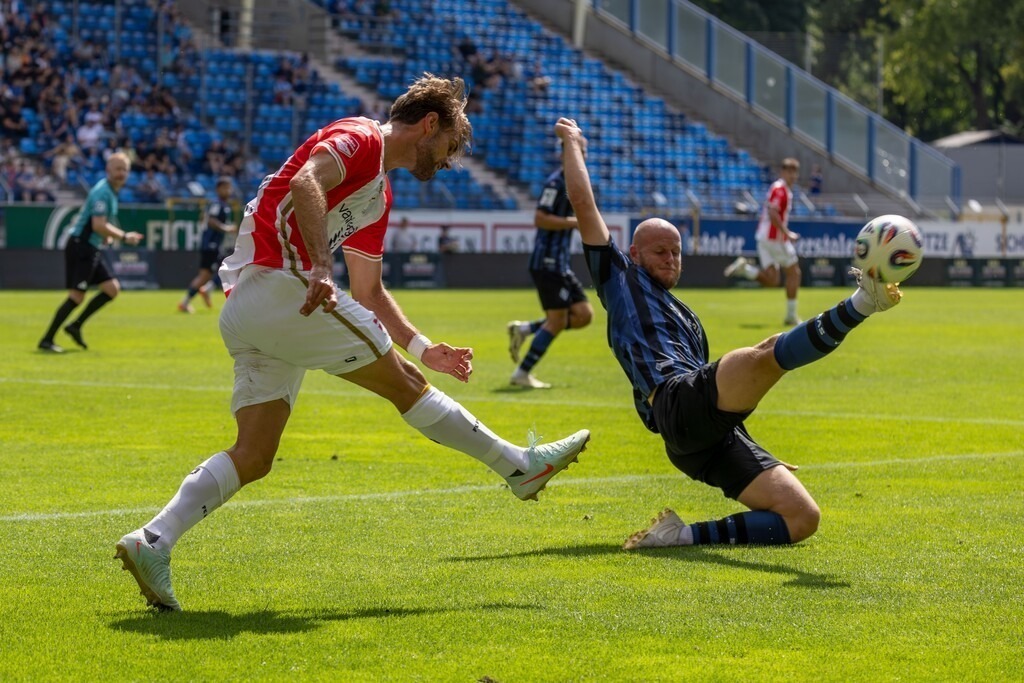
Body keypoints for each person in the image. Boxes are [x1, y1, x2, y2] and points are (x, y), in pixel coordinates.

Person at [114, 75, 590, 611]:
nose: (450, 159)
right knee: (406, 387)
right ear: (428, 125)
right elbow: (304, 184)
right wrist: (320, 264)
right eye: (450, 145)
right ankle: (518, 468)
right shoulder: (361, 136)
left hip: (251, 311)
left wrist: (423, 345)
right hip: (281, 288)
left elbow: (370, 289)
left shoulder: (378, 193)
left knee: (254, 454)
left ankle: (151, 540)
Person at [551, 117, 902, 550]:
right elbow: (583, 203)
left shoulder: (689, 318)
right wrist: (572, 144)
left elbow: (721, 402)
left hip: (701, 436)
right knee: (767, 351)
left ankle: (678, 536)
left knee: (801, 517)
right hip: (676, 403)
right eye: (660, 252)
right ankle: (863, 303)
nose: (670, 260)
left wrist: (756, 453)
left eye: (676, 252)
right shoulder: (618, 278)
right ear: (634, 254)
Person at [506, 143, 594, 389]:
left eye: (583, 151)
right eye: (577, 151)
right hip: (547, 262)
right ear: (564, 154)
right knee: (556, 320)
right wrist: (574, 222)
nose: (582, 156)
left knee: (584, 315)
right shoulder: (556, 183)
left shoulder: (572, 183)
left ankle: (526, 329)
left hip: (560, 263)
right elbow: (540, 218)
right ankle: (521, 373)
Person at [37, 152, 143, 353]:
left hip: (90, 246)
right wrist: (124, 236)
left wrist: (106, 235)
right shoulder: (103, 192)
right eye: (118, 169)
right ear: (108, 170)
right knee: (77, 296)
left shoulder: (110, 191)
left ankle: (75, 326)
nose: (122, 173)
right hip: (81, 247)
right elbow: (98, 224)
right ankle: (46, 339)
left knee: (112, 288)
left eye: (125, 169)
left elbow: (99, 225)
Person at [724, 158, 802, 325]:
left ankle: (745, 269)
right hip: (775, 239)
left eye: (795, 172)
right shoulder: (780, 189)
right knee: (794, 273)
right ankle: (791, 316)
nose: (793, 176)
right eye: (789, 171)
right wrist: (787, 233)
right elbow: (773, 214)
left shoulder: (781, 189)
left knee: (772, 280)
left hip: (763, 238)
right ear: (782, 173)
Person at [179, 177, 236, 313]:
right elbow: (211, 220)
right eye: (225, 187)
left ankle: (185, 302)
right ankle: (207, 290)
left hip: (212, 244)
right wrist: (226, 228)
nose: (228, 190)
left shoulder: (222, 204)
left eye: (229, 187)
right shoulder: (217, 204)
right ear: (218, 189)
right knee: (229, 268)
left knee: (205, 275)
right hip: (211, 244)